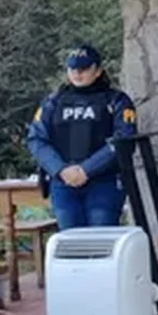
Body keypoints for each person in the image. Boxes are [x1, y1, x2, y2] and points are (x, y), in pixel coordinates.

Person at [26, 45, 138, 230]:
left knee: (101, 244)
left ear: (98, 71)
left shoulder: (117, 100)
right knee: (71, 246)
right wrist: (61, 169)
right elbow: (36, 139)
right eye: (72, 69)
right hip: (63, 183)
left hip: (104, 182)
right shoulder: (53, 102)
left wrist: (87, 169)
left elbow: (124, 140)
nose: (77, 73)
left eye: (84, 69)